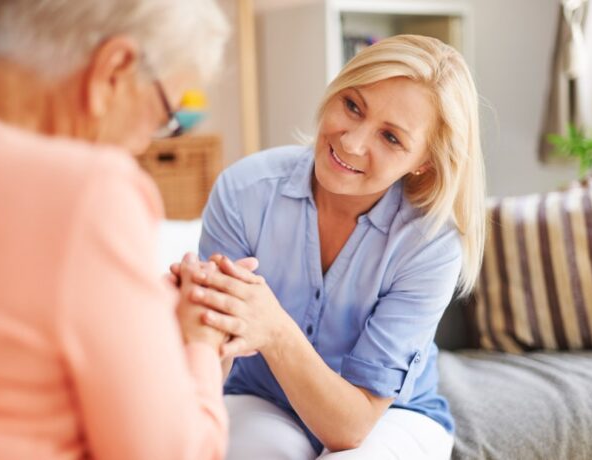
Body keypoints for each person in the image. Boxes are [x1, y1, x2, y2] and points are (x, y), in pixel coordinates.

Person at [0, 1, 233, 459]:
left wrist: (139, 312)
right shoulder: (91, 192)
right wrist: (199, 344)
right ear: (114, 69)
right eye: (163, 116)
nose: (145, 143)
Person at [182, 34, 486, 459]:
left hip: (392, 416)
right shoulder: (244, 191)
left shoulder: (430, 242)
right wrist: (193, 325)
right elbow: (207, 367)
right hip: (260, 397)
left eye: (391, 138)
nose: (352, 142)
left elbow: (352, 427)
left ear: (424, 162)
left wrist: (273, 327)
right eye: (352, 106)